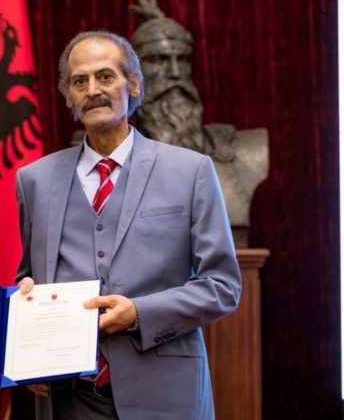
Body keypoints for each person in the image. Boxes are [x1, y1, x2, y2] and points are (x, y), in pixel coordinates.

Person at [16, 31, 241, 419]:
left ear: (133, 84)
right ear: (68, 97)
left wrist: (139, 313)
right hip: (68, 398)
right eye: (79, 81)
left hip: (166, 395)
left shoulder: (191, 171)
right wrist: (28, 348)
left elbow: (223, 286)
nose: (92, 90)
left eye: (105, 76)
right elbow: (28, 280)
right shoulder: (34, 179)